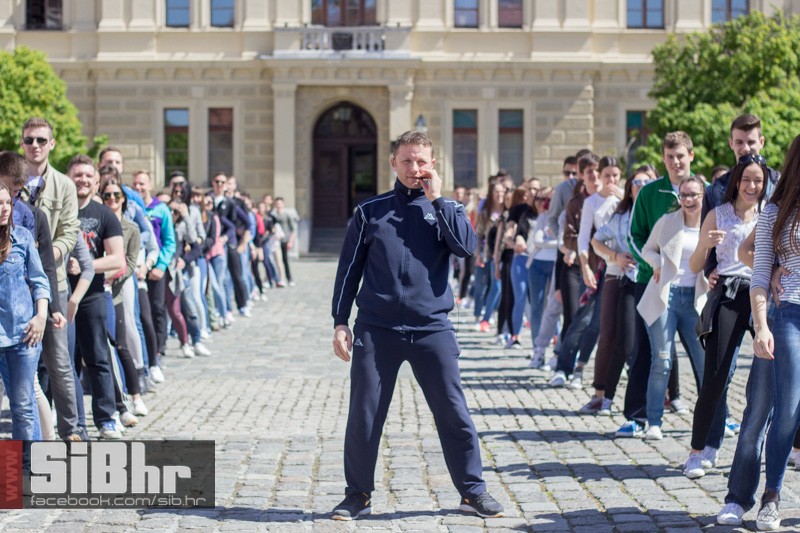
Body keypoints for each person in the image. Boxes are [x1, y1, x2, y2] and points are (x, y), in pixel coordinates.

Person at [330, 131, 503, 520]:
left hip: (432, 329)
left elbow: (466, 248)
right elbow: (348, 271)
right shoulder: (369, 212)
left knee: (453, 410)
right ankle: (357, 493)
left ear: (433, 164)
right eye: (407, 161)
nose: (414, 169)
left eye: (421, 161)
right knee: (365, 412)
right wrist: (340, 321)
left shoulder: (449, 208)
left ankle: (472, 492)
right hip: (377, 329)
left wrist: (437, 200)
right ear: (394, 163)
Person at [682, 152, 764, 477]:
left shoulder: (770, 214)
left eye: (758, 180)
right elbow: (694, 266)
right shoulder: (718, 213)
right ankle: (697, 451)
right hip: (729, 293)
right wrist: (704, 245)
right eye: (746, 180)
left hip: (761, 294)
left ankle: (794, 448)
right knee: (714, 377)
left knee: (783, 371)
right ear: (736, 182)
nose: (752, 185)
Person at [617, 131, 694, 438]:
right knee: (647, 351)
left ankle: (718, 416)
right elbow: (634, 236)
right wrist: (654, 263)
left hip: (693, 285)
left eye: (681, 156)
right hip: (653, 283)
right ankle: (636, 415)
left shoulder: (705, 190)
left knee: (706, 354)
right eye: (670, 157)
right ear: (663, 158)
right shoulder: (650, 193)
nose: (676, 162)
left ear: (691, 156)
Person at [748, 133, 800, 531]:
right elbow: (760, 274)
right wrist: (761, 324)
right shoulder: (775, 211)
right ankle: (771, 496)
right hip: (789, 314)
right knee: (788, 410)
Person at [637, 176, 708, 440]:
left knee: (705, 362)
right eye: (684, 195)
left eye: (694, 195)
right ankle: (653, 422)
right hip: (665, 296)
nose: (689, 200)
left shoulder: (709, 223)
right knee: (662, 360)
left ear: (703, 195)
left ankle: (714, 419)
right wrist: (657, 264)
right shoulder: (667, 222)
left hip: (696, 300)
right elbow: (646, 249)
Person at [579, 169, 651, 413]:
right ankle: (602, 394)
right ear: (630, 186)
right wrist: (615, 256)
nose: (641, 186)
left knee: (658, 340)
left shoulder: (658, 213)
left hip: (653, 280)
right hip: (620, 276)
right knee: (612, 333)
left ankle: (670, 397)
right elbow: (594, 240)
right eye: (637, 182)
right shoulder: (620, 215)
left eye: (646, 182)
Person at [68, 155, 126, 439]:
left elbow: (117, 259)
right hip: (60, 294)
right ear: (69, 178)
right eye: (78, 175)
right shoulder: (59, 211)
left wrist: (85, 265)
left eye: (88, 176)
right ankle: (60, 416)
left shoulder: (104, 214)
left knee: (98, 358)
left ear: (96, 181)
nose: (83, 180)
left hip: (92, 296)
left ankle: (106, 418)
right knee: (61, 360)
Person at [0, 183, 50, 440]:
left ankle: (25, 472)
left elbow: (40, 280)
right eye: (0, 203)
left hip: (22, 335)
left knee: (22, 407)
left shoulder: (22, 237)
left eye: (7, 202)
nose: (5, 209)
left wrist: (41, 316)